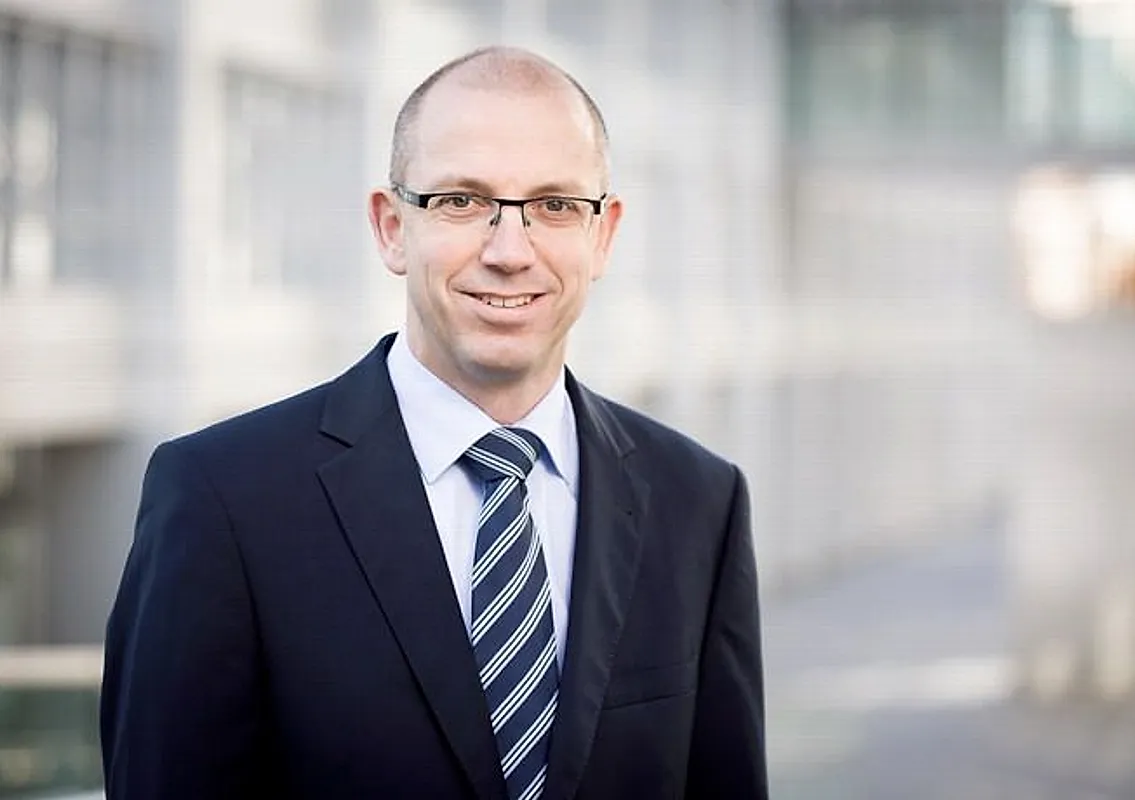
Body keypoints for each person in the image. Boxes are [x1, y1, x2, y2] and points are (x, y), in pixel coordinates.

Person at [100, 46, 766, 799]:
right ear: (392, 227)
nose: (509, 252)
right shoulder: (222, 498)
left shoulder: (699, 502)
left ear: (602, 235)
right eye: (462, 201)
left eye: (555, 205)